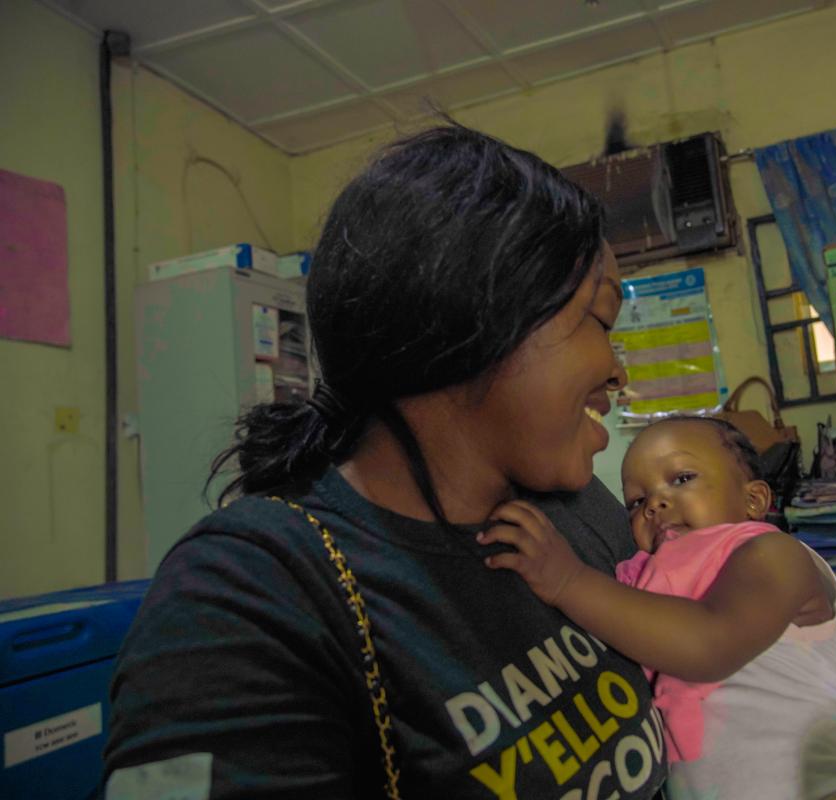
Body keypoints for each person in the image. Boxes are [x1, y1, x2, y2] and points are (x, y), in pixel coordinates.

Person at [103, 126, 669, 799]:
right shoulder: (249, 596)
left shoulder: (576, 512)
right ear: (474, 318)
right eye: (600, 321)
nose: (617, 371)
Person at [480, 416, 836, 799]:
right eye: (636, 501)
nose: (654, 504)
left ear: (753, 499)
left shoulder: (771, 553)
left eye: (682, 479)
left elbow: (710, 643)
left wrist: (568, 581)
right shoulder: (638, 578)